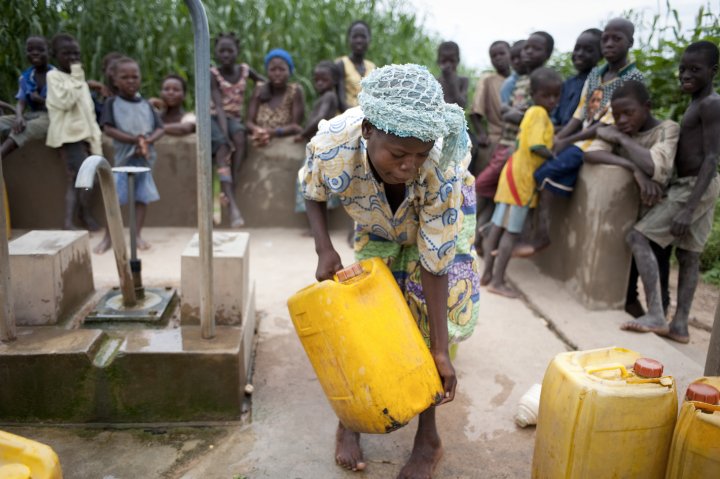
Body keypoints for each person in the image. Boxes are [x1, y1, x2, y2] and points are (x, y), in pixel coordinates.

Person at [299, 64, 479, 478]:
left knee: (428, 314)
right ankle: (351, 419)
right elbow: (312, 189)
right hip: (377, 219)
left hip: (439, 215)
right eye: (398, 155)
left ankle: (428, 437)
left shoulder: (439, 166)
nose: (408, 166)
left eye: (419, 153)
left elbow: (435, 262)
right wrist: (324, 250)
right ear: (367, 132)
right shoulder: (332, 145)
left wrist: (438, 348)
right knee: (365, 309)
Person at [619, 41, 720, 343]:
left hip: (696, 185)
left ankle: (656, 315)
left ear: (713, 72)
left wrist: (688, 207)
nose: (685, 75)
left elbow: (713, 158)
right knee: (689, 255)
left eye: (694, 70)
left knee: (638, 236)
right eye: (682, 69)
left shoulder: (711, 104)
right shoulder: (696, 103)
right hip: (699, 186)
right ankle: (679, 326)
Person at [525, 18, 645, 257]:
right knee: (543, 164)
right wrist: (561, 138)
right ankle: (538, 228)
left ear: (630, 42)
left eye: (616, 39)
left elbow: (604, 124)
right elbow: (580, 114)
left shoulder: (632, 79)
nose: (609, 44)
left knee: (546, 173)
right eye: (605, 39)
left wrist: (568, 140)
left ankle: (542, 234)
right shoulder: (595, 75)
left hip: (603, 140)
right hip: (582, 137)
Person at [583, 81, 679, 319]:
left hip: (661, 209)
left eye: (629, 113)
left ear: (647, 107)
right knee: (629, 274)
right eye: (617, 115)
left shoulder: (667, 129)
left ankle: (660, 315)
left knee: (660, 263)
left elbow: (652, 165)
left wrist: (624, 141)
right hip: (632, 212)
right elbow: (591, 153)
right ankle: (633, 307)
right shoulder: (618, 128)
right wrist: (633, 169)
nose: (622, 120)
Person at [481, 68, 562, 298]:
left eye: (556, 96)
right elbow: (537, 146)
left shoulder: (529, 112)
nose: (553, 101)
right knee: (511, 232)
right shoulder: (539, 114)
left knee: (497, 226)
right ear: (534, 94)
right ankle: (497, 280)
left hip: (511, 173)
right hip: (522, 180)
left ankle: (486, 274)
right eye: (547, 96)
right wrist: (554, 155)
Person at [475, 32, 554, 246]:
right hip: (507, 145)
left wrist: (517, 116)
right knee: (491, 192)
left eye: (532, 49)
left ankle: (481, 236)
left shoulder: (541, 82)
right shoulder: (515, 82)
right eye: (522, 51)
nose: (524, 56)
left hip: (517, 149)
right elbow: (506, 113)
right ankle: (480, 234)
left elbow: (531, 118)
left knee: (489, 190)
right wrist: (516, 115)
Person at [94, 57, 164, 254]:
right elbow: (108, 129)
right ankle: (109, 237)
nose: (131, 81)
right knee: (115, 198)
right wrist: (134, 140)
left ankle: (137, 235)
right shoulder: (112, 103)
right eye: (125, 77)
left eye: (135, 76)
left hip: (145, 159)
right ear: (115, 80)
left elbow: (160, 129)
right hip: (123, 161)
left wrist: (148, 141)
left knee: (142, 198)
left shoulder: (146, 104)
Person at [45, 33, 102, 231]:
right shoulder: (54, 76)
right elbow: (66, 102)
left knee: (80, 179)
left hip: (84, 136)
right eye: (66, 53)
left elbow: (88, 111)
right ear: (55, 55)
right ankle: (78, 217)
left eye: (76, 54)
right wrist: (78, 75)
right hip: (69, 137)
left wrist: (94, 137)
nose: (72, 58)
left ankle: (77, 217)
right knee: (84, 178)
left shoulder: (78, 80)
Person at [210, 32, 264, 228]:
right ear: (215, 52)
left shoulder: (244, 70)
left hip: (234, 119)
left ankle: (230, 186)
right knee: (224, 148)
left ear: (237, 52)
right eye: (221, 51)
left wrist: (259, 96)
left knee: (241, 138)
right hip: (214, 117)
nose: (226, 54)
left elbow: (263, 82)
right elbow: (218, 105)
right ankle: (232, 205)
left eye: (230, 50)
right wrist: (225, 136)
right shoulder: (213, 73)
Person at [294, 61, 341, 217]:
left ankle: (318, 226)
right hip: (320, 146)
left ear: (334, 80)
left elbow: (320, 118)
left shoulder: (329, 96)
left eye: (324, 79)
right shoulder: (326, 97)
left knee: (311, 182)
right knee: (317, 184)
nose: (319, 83)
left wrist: (302, 134)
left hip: (322, 147)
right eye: (317, 80)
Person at [0, 36, 54, 160]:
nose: (35, 52)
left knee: (24, 129)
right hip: (33, 114)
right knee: (4, 122)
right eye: (30, 50)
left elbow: (62, 105)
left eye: (40, 50)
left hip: (52, 117)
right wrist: (19, 116)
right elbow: (21, 102)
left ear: (49, 52)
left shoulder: (57, 76)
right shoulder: (26, 77)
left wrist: (39, 99)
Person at [246, 48, 305, 147]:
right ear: (267, 71)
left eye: (282, 69)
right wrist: (257, 130)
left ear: (289, 71)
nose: (277, 73)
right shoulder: (259, 89)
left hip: (284, 143)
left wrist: (271, 132)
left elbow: (295, 126)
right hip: (259, 139)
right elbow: (249, 122)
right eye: (272, 69)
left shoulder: (295, 91)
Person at [470, 40, 511, 176]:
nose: (498, 58)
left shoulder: (522, 80)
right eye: (494, 56)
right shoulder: (488, 80)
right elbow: (475, 112)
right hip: (495, 138)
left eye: (502, 53)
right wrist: (481, 133)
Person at [551, 29, 602, 128]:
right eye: (577, 48)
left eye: (588, 50)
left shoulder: (597, 84)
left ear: (601, 54)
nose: (580, 53)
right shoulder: (567, 83)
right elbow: (555, 116)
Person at [336, 20, 376, 112]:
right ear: (349, 39)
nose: (359, 40)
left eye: (363, 37)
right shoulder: (341, 64)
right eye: (355, 37)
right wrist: (357, 115)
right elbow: (340, 102)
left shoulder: (372, 67)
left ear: (369, 40)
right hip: (345, 117)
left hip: (367, 118)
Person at [436, 41, 468, 108]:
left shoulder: (463, 80)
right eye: (444, 61)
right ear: (438, 61)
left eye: (452, 60)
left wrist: (452, 81)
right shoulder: (434, 82)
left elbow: (462, 105)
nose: (448, 64)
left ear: (458, 60)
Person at [499, 40, 527, 106]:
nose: (516, 61)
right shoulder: (509, 84)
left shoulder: (540, 77)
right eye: (512, 58)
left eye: (519, 57)